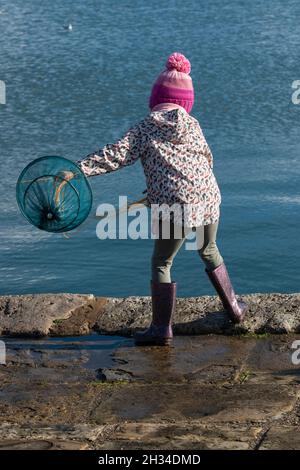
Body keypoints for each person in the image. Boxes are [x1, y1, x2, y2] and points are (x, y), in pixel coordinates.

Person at [74, 52, 247, 346]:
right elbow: (206, 159)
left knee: (162, 263)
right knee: (208, 248)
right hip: (207, 195)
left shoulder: (145, 127)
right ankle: (234, 308)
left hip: (174, 205)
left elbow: (115, 155)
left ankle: (160, 329)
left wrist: (78, 170)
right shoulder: (193, 125)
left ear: (156, 97)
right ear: (186, 102)